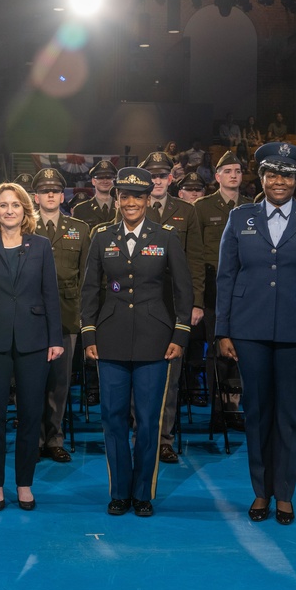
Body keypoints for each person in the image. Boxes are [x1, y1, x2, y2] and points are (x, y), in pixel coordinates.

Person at [216, 142, 296, 525]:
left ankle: (283, 493)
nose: (279, 181)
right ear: (263, 178)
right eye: (272, 175)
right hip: (249, 329)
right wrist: (222, 330)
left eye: (286, 175)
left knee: (289, 415)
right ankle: (260, 491)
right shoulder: (240, 218)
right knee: (256, 413)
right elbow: (225, 278)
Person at [81, 166, 192, 516]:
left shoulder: (167, 237)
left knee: (148, 420)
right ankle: (119, 492)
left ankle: (142, 493)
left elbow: (183, 291)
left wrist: (180, 334)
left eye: (138, 197)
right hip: (110, 339)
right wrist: (89, 333)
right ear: (117, 199)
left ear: (148, 200)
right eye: (124, 196)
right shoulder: (101, 237)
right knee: (112, 418)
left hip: (155, 341)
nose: (131, 202)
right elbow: (89, 291)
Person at [0, 182, 63, 510]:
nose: (9, 210)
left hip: (34, 340)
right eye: (3, 205)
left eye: (15, 205)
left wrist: (55, 338)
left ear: (25, 210)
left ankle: (24, 483)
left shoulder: (42, 245)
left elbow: (51, 293)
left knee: (31, 414)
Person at [137, 151, 205, 463]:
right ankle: (141, 434)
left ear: (171, 178)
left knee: (170, 375)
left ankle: (164, 438)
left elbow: (195, 260)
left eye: (162, 175)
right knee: (138, 370)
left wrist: (196, 302)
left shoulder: (185, 211)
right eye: (151, 176)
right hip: (138, 301)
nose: (157, 181)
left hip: (174, 304)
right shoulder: (133, 206)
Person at [31, 167, 89, 463]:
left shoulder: (80, 228)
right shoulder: (24, 227)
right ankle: (33, 438)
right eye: (45, 190)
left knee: (59, 382)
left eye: (55, 190)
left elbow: (86, 278)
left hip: (67, 316)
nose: (50, 194)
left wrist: (84, 317)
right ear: (36, 196)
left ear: (63, 195)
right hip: (30, 317)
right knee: (32, 381)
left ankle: (54, 438)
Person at [194, 151, 246, 430]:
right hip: (215, 292)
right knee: (216, 350)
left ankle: (234, 408)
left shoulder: (253, 207)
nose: (234, 175)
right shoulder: (202, 208)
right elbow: (196, 257)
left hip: (247, 292)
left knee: (243, 350)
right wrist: (198, 300)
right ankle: (217, 410)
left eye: (237, 170)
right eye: (227, 171)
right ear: (217, 177)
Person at [71, 160, 116, 228]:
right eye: (100, 178)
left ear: (114, 180)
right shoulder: (80, 210)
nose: (105, 181)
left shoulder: (122, 207)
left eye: (109, 177)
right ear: (93, 181)